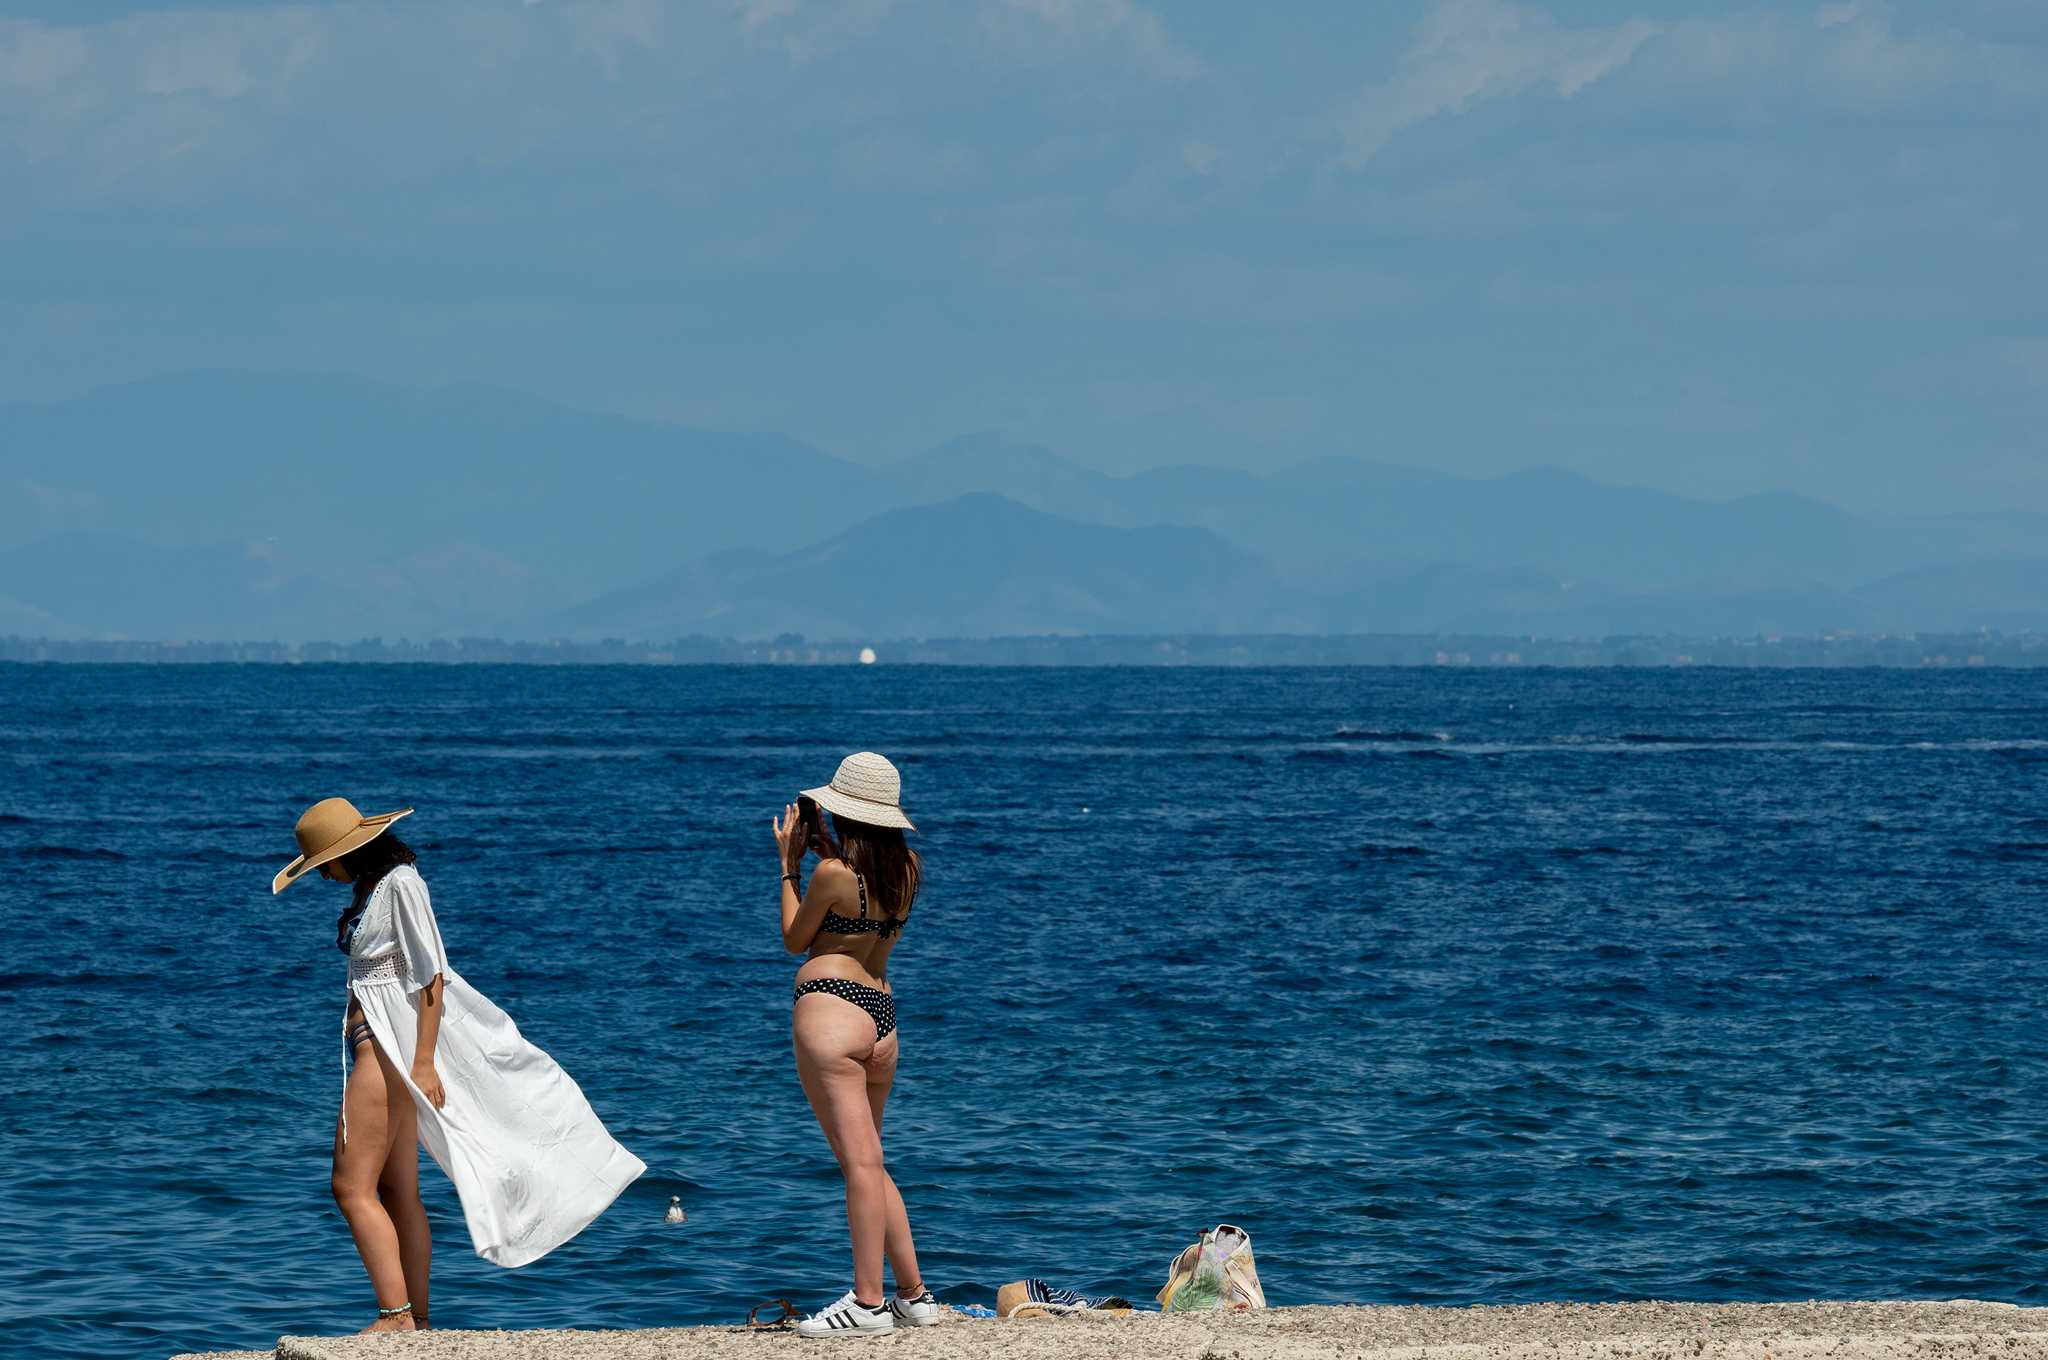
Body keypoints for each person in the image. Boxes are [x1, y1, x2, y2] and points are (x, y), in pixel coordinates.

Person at [274, 798, 646, 1333]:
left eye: (322, 864)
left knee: (349, 1188)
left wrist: (423, 1063)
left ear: (348, 852)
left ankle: (395, 1316)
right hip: (379, 1049)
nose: (323, 875)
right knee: (398, 1192)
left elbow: (431, 976)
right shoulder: (375, 890)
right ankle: (417, 1319)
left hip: (386, 1055)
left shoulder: (401, 883)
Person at [775, 753, 941, 1337]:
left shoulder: (829, 875)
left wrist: (789, 867)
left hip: (833, 1014)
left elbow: (798, 940)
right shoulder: (909, 868)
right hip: (882, 1019)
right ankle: (912, 1296)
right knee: (869, 1161)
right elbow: (859, 908)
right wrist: (828, 857)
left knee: (860, 1163)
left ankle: (867, 1305)